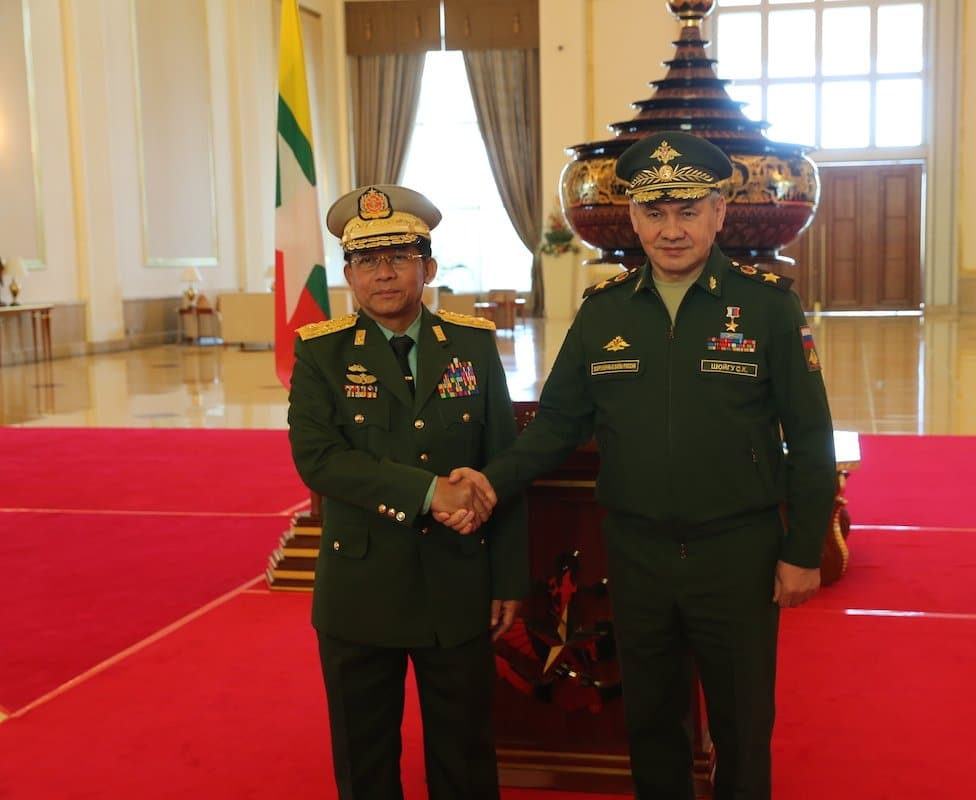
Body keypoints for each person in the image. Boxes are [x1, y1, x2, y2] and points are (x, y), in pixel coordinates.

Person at [443, 131, 837, 799]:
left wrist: (802, 551)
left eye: (688, 211)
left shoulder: (768, 306)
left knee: (742, 725)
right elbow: (558, 424)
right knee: (651, 720)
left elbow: (810, 435)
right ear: (633, 217)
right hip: (638, 553)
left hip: (736, 553)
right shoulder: (605, 313)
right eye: (655, 213)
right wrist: (488, 480)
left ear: (719, 211)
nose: (671, 230)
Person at [287, 184, 526, 800]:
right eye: (367, 260)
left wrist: (507, 578)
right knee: (365, 761)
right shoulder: (321, 352)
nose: (384, 273)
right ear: (349, 275)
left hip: (458, 582)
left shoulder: (471, 343)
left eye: (399, 256)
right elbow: (319, 460)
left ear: (429, 267)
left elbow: (502, 462)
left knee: (465, 758)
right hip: (361, 588)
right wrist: (428, 492)